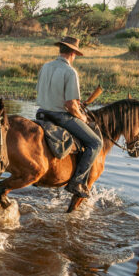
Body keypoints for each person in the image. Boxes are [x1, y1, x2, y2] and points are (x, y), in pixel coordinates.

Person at [35, 35, 102, 198]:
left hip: (42, 114)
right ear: (73, 53)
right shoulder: (70, 72)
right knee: (95, 142)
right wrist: (82, 117)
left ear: (60, 50)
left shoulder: (45, 66)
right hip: (60, 117)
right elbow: (70, 105)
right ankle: (77, 182)